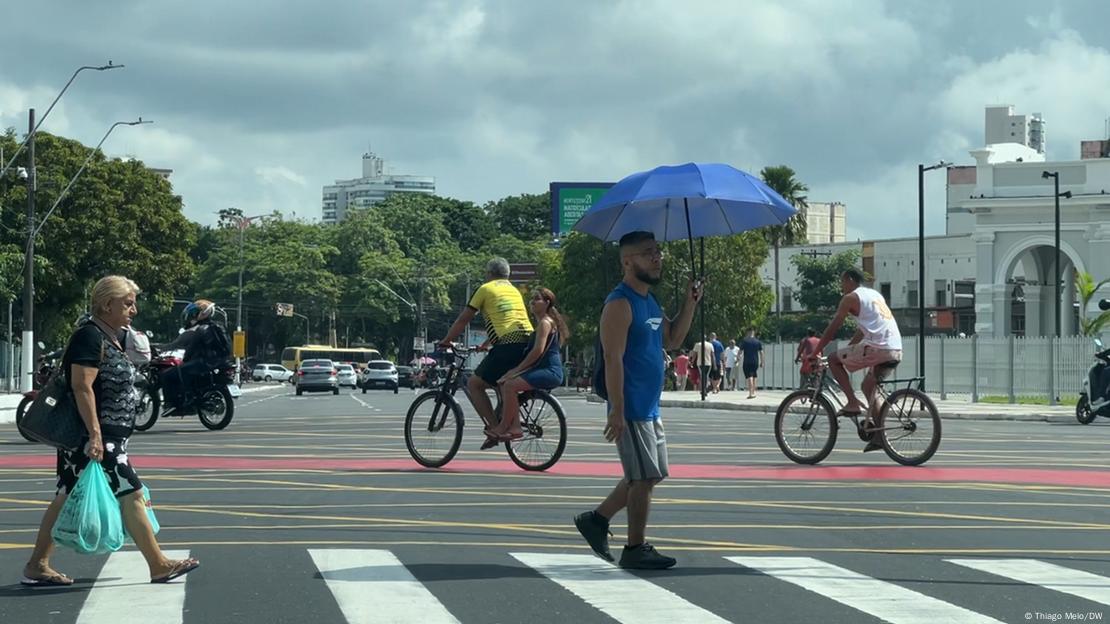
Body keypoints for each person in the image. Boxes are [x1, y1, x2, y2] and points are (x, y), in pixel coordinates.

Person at [22, 276, 199, 587]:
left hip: (104, 436)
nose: (134, 309)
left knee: (66, 495)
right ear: (107, 305)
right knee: (132, 492)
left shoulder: (111, 336)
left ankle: (37, 563)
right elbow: (82, 387)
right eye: (127, 303)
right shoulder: (89, 337)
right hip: (96, 437)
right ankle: (158, 564)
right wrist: (95, 435)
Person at [573, 231, 701, 570]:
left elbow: (673, 340)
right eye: (647, 253)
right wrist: (616, 409)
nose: (657, 258)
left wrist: (690, 302)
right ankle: (635, 547)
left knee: (649, 474)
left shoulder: (650, 301)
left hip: (649, 405)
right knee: (643, 477)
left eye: (657, 251)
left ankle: (597, 520)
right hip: (630, 406)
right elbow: (613, 358)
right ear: (627, 262)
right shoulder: (620, 302)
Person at [439, 258, 533, 450]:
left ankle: (495, 427)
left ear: (489, 273)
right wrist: (486, 343)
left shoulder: (485, 289)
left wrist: (446, 340)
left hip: (507, 345)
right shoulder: (513, 290)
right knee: (500, 382)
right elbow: (506, 318)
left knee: (474, 383)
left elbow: (464, 319)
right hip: (527, 342)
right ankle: (506, 419)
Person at [813, 268, 903, 452]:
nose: (841, 286)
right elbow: (864, 329)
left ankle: (852, 402)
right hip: (894, 348)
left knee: (833, 360)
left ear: (850, 280)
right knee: (868, 387)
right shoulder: (874, 295)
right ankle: (879, 436)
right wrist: (849, 347)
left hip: (879, 347)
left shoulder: (850, 298)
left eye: (842, 282)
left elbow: (834, 326)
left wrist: (816, 349)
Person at [487, 287, 569, 441]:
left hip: (549, 371)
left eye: (537, 299)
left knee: (510, 384)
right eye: (531, 299)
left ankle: (506, 426)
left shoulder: (545, 323)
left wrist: (516, 370)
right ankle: (514, 425)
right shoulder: (540, 324)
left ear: (547, 303)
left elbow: (537, 351)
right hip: (542, 369)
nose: (532, 302)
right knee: (503, 383)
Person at [159, 299, 229, 414]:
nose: (191, 317)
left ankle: (172, 403)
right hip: (220, 361)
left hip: (203, 362)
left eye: (193, 314)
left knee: (167, 375)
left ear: (200, 314)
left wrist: (158, 348)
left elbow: (179, 345)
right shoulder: (218, 326)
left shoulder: (196, 330)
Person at [740, 328, 763, 399]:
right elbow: (761, 352)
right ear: (754, 333)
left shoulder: (745, 341)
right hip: (755, 361)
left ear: (748, 332)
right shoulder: (758, 342)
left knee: (749, 376)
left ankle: (750, 393)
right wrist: (762, 362)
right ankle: (753, 392)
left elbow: (740, 351)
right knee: (754, 376)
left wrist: (737, 358)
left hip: (747, 361)